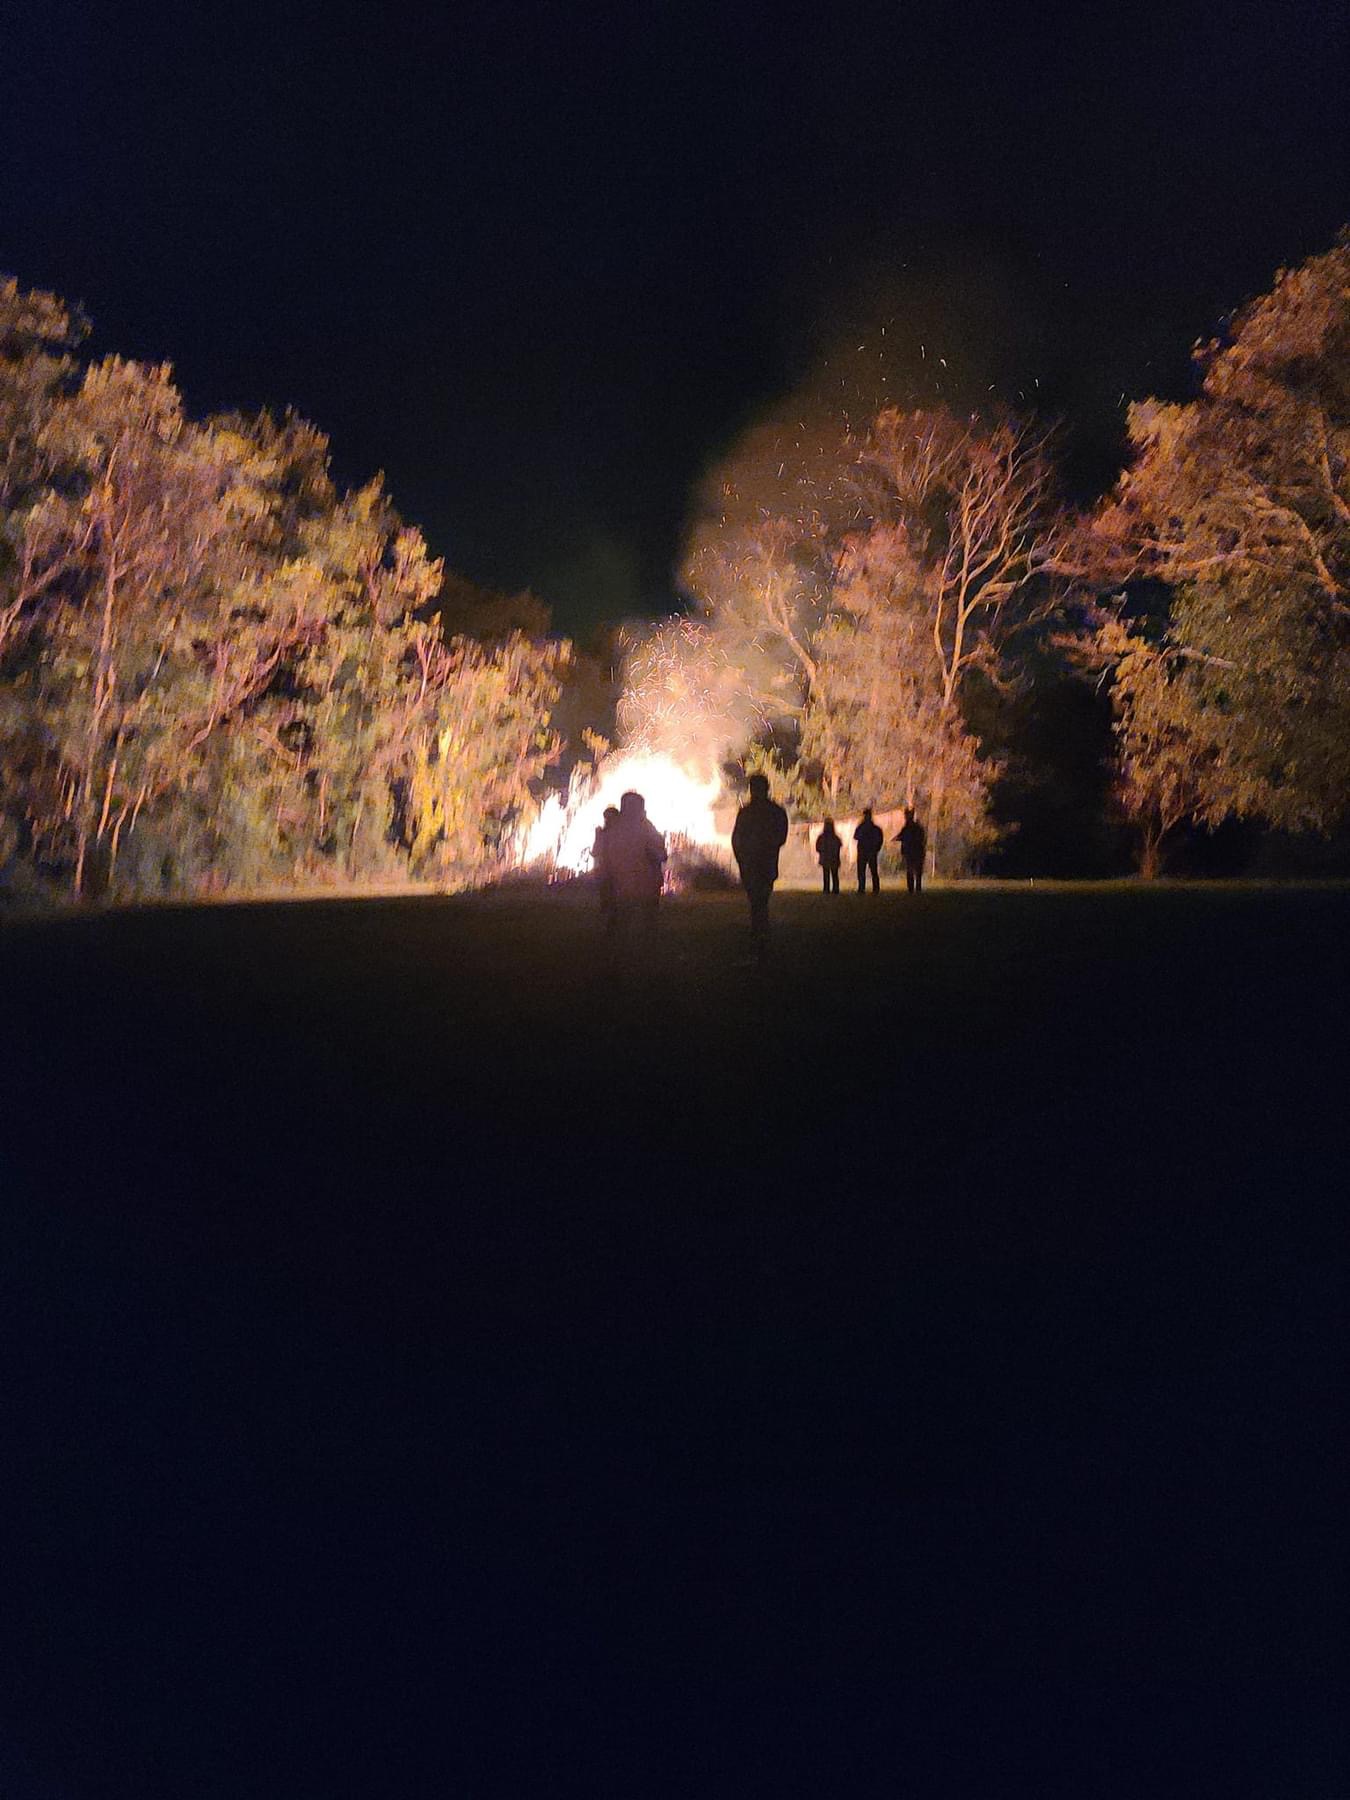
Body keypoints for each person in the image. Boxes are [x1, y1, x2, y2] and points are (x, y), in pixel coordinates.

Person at [731, 773, 789, 958]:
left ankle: (759, 930)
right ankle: (760, 930)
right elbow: (781, 837)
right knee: (761, 897)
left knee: (757, 899)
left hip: (752, 863)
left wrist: (742, 858)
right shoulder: (776, 812)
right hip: (766, 863)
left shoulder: (746, 813)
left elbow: (737, 839)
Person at [604, 791, 666, 933]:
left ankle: (614, 947)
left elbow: (604, 856)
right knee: (648, 922)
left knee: (621, 922)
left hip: (622, 886)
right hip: (645, 885)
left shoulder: (614, 828)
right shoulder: (647, 828)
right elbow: (661, 855)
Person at [591, 804, 620, 927]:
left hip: (611, 871)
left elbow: (595, 852)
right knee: (609, 897)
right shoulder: (617, 834)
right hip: (609, 871)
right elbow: (596, 852)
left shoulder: (610, 834)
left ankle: (610, 922)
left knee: (610, 897)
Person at [895, 806, 927, 894]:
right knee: (917, 871)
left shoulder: (907, 828)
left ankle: (911, 889)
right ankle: (917, 888)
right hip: (917, 851)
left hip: (910, 851)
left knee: (911, 870)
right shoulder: (917, 827)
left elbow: (901, 836)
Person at [853, 807, 883, 893]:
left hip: (865, 851)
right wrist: (877, 848)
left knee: (865, 871)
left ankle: (863, 888)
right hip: (869, 851)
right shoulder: (874, 828)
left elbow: (856, 836)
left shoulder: (862, 827)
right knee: (870, 871)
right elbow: (879, 839)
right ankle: (873, 888)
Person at [815, 818, 842, 895]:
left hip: (826, 859)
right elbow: (839, 846)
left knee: (827, 874)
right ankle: (835, 889)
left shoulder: (822, 837)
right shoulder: (835, 838)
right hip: (833, 859)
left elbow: (818, 848)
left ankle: (827, 889)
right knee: (834, 874)